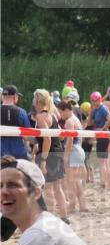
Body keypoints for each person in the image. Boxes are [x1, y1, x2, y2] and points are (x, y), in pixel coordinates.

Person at [30, 89, 68, 220]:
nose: (33, 102)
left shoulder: (41, 116)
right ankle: (64, 217)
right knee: (57, 188)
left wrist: (43, 160)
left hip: (49, 154)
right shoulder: (52, 115)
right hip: (57, 152)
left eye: (34, 99)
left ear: (38, 101)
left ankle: (50, 218)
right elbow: (59, 136)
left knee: (48, 189)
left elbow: (47, 139)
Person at [55, 100, 88, 214]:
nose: (60, 115)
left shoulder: (69, 121)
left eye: (60, 112)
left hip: (73, 150)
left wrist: (66, 156)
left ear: (66, 110)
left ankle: (73, 205)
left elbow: (69, 140)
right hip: (79, 149)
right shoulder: (76, 119)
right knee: (76, 181)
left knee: (71, 181)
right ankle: (82, 205)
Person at [1, 86, 30, 160]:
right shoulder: (22, 112)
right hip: (18, 154)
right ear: (14, 96)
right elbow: (27, 137)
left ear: (3, 96)